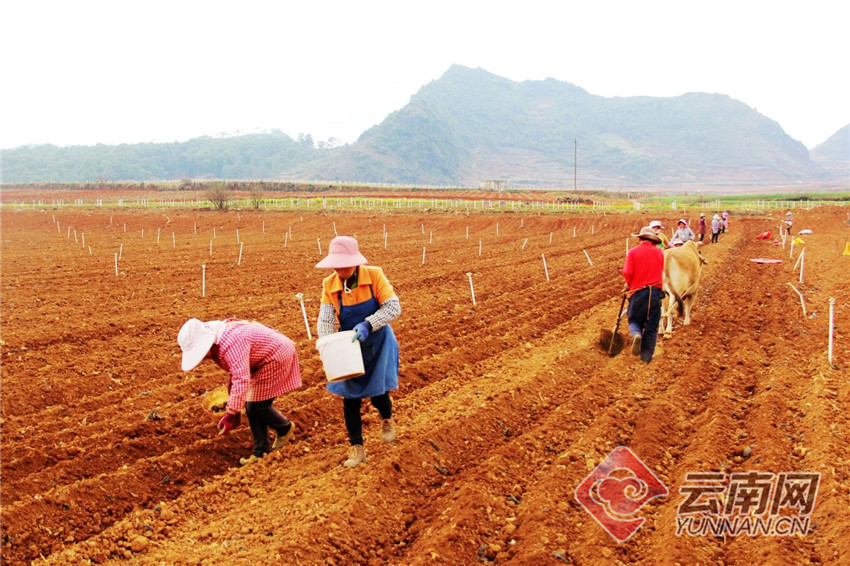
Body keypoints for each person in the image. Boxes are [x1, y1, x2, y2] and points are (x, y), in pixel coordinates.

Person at [316, 236, 401, 468]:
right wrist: (326, 343)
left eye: (344, 264)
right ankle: (357, 448)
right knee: (350, 398)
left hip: (378, 341)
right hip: (349, 346)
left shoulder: (374, 275)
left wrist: (368, 324)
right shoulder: (330, 284)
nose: (339, 269)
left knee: (378, 394)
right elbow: (325, 318)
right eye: (336, 264)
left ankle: (386, 419)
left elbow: (393, 307)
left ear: (355, 261)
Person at [177, 318, 302, 465]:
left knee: (256, 406)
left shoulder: (230, 343)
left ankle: (283, 429)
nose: (203, 358)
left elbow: (241, 378)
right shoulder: (219, 340)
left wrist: (231, 413)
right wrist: (233, 404)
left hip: (276, 356)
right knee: (253, 406)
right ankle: (261, 450)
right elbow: (236, 371)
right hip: (263, 359)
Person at [622, 227, 664, 363]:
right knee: (652, 327)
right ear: (653, 240)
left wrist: (628, 284)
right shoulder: (660, 253)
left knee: (634, 319)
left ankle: (636, 334)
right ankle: (645, 360)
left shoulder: (633, 252)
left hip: (638, 292)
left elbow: (627, 272)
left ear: (640, 238)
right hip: (655, 293)